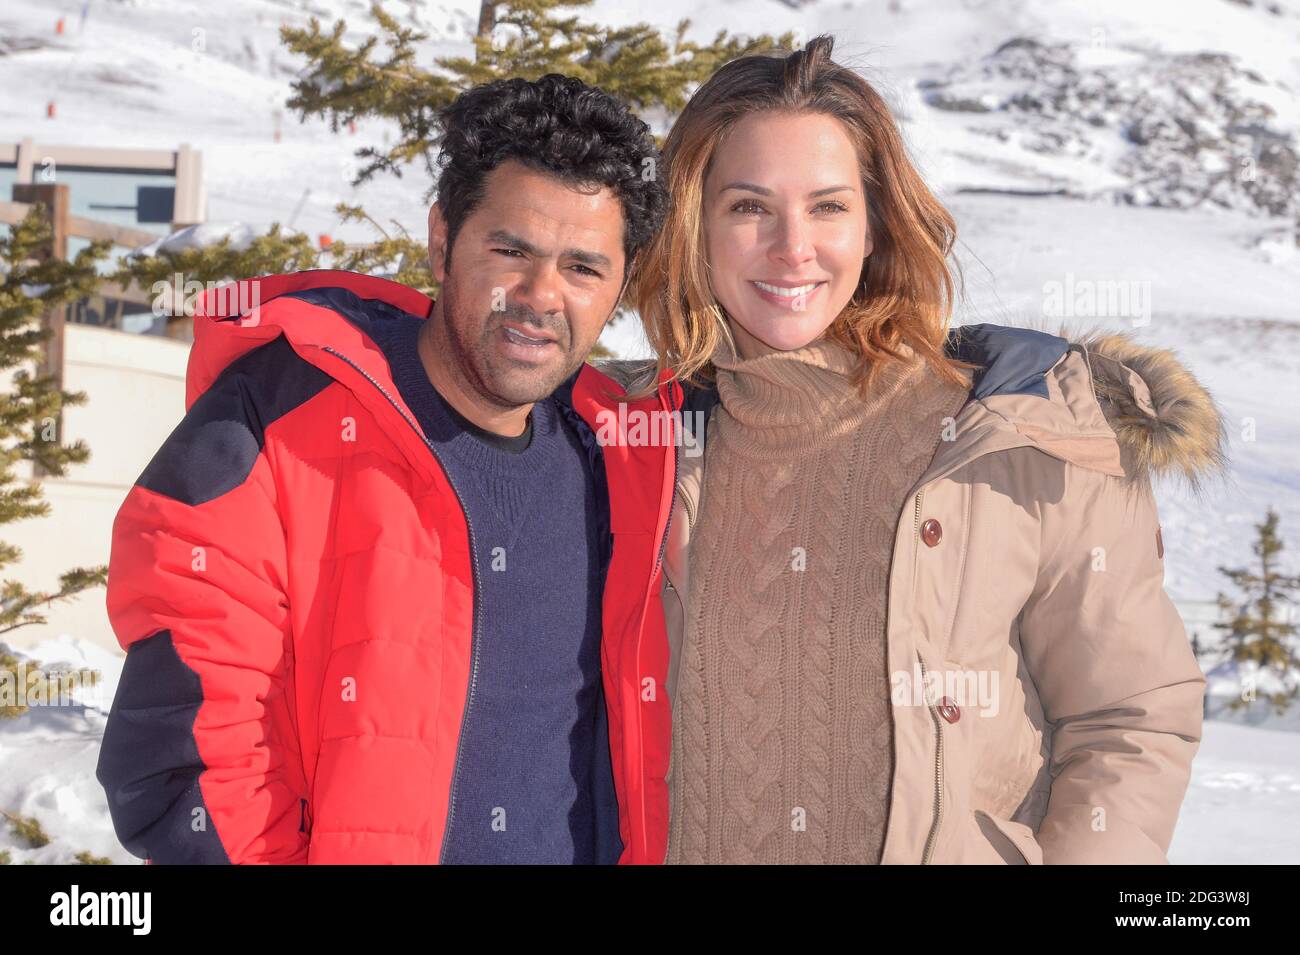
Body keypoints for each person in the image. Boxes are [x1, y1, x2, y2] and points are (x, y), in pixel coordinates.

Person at [625, 34, 1224, 864]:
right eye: (749, 206)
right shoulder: (634, 441)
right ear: (695, 227)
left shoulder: (1021, 433)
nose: (792, 246)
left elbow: (1131, 715)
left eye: (828, 206)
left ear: (875, 226)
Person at [95, 73, 675, 864]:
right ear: (443, 239)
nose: (541, 296)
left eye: (582, 268)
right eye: (510, 250)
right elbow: (186, 758)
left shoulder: (627, 464)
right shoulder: (272, 421)